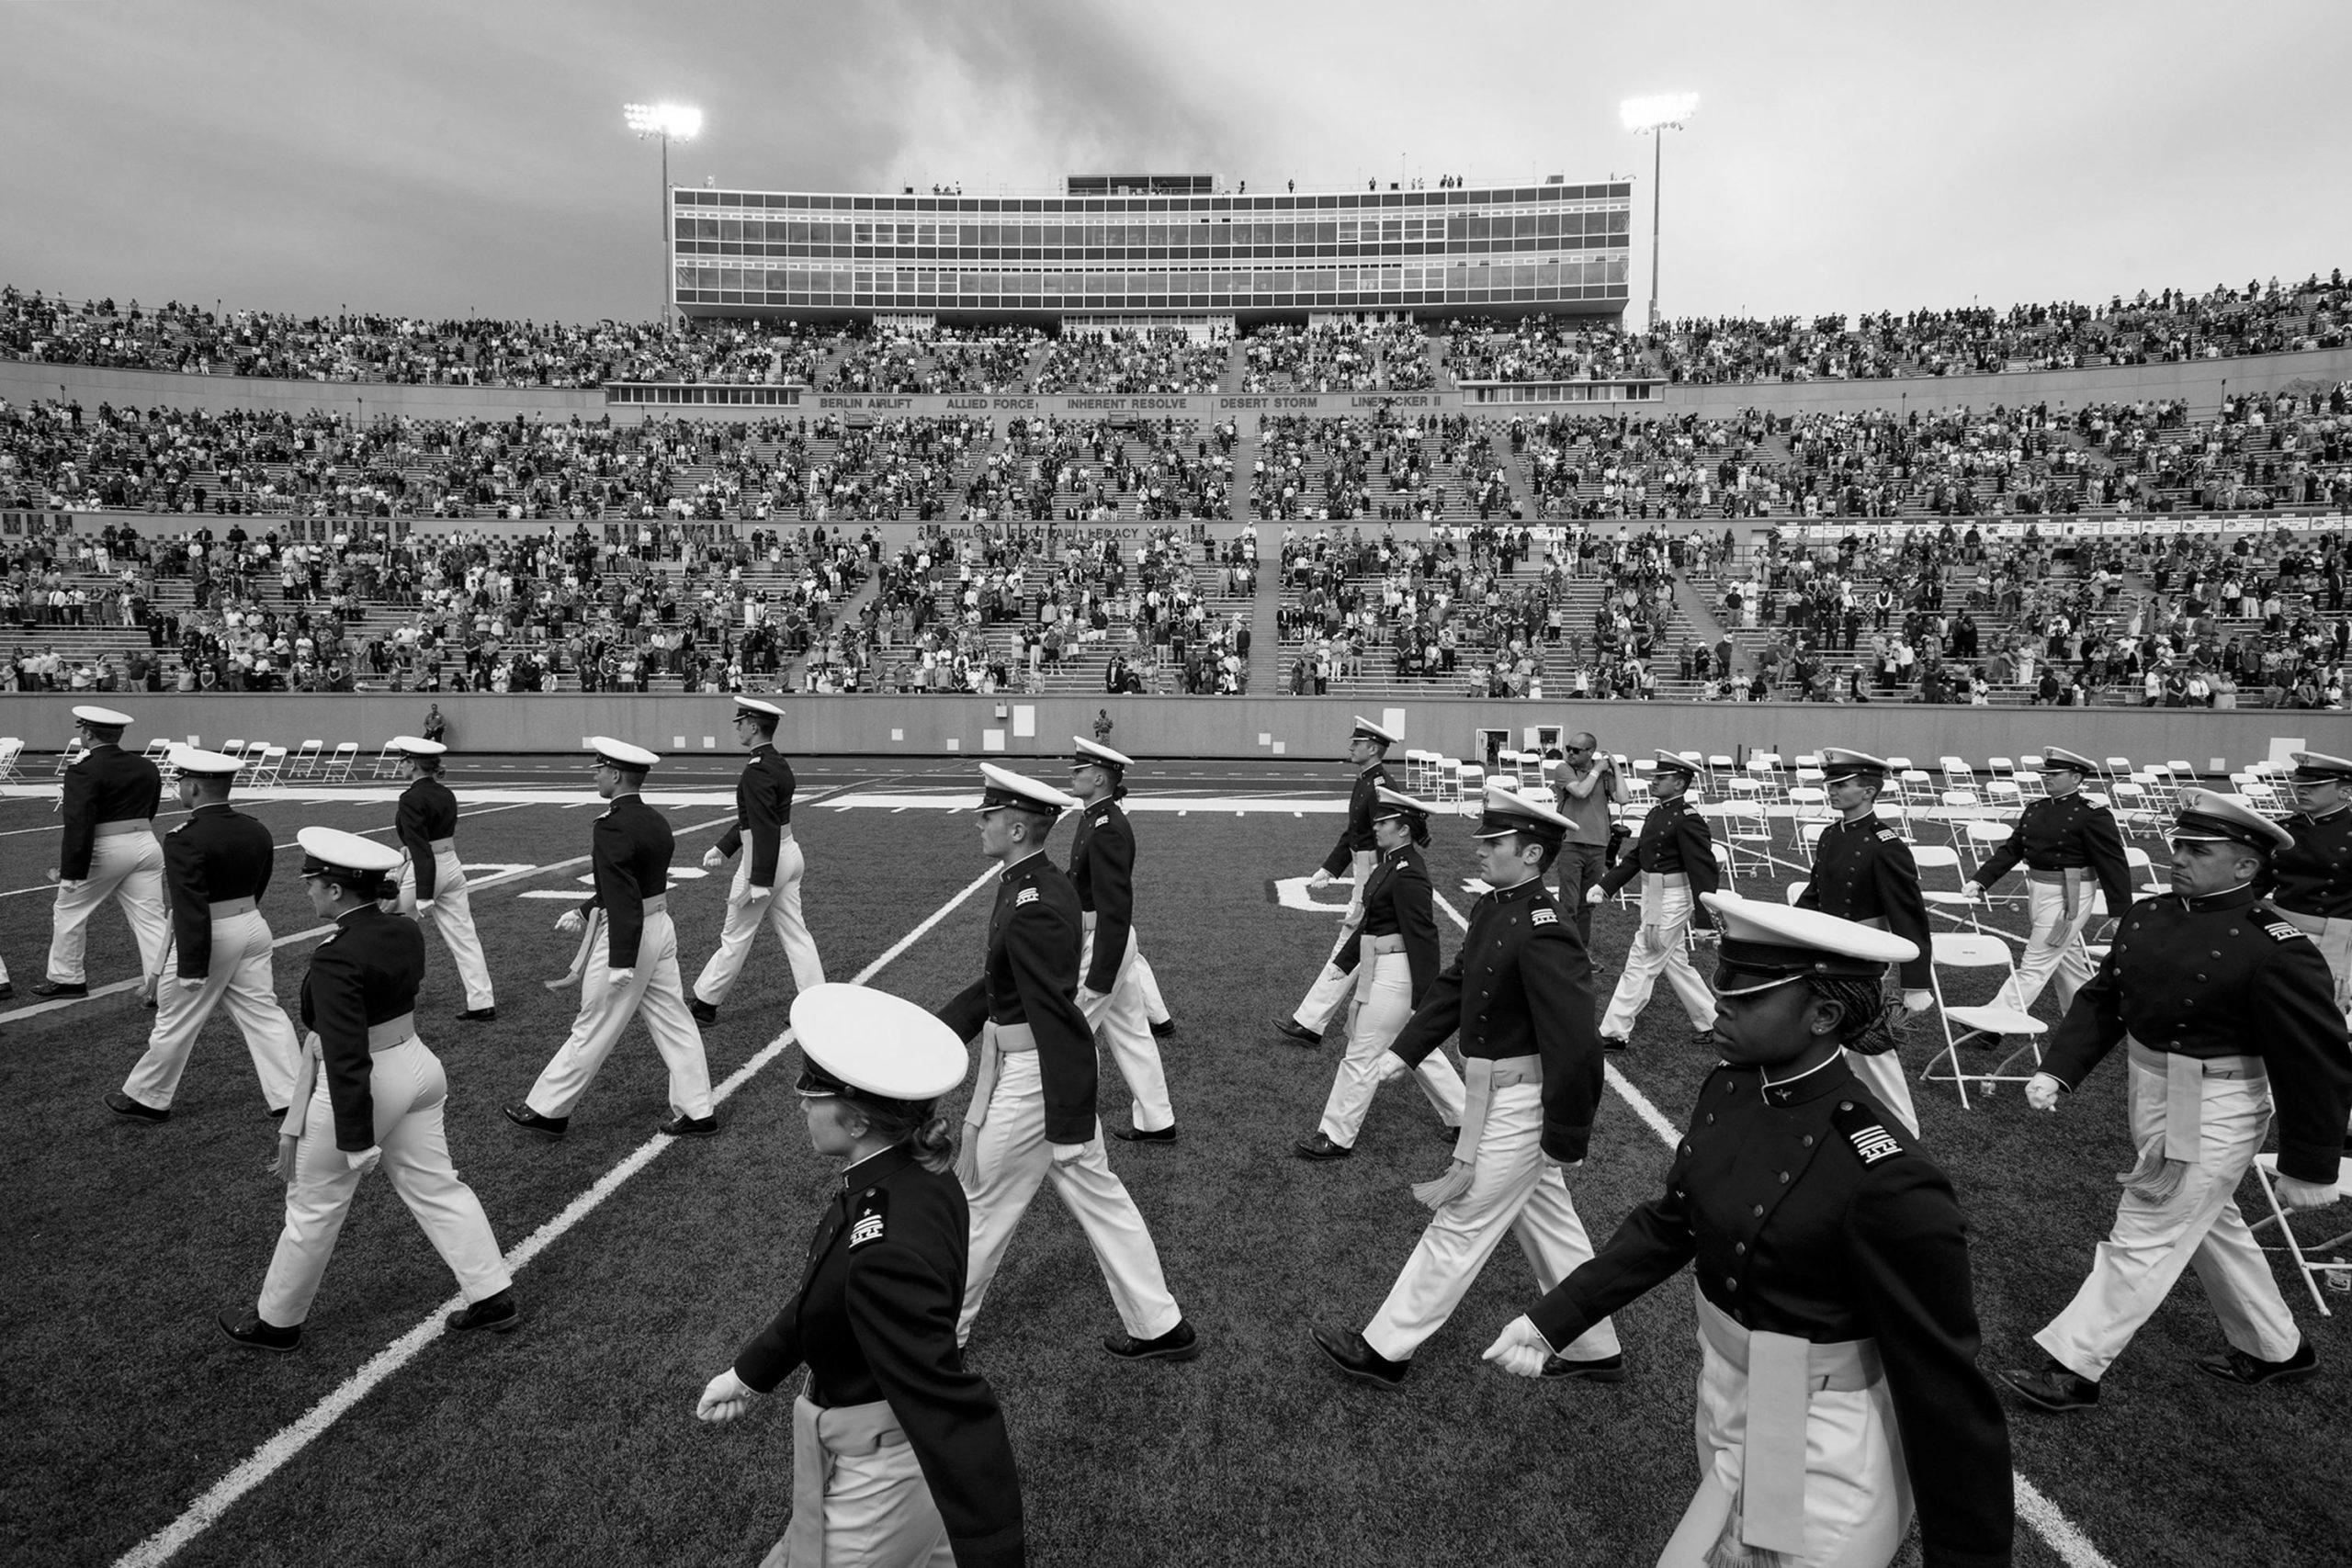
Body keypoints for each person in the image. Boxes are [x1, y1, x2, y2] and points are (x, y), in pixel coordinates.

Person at [1481, 896, 2015, 1568]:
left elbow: (1944, 1388)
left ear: (1824, 1015)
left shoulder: (1886, 1176)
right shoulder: (1732, 1087)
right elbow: (1671, 1223)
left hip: (1824, 1440)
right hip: (1727, 1398)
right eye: (1723, 986)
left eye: (1747, 995)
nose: (1720, 1006)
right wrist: (1554, 1317)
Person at [1999, 790, 2352, 1414]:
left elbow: (2315, 1057)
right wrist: (2059, 1069)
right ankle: (2278, 1346)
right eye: (2179, 845)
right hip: (2152, 1086)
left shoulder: (2275, 944)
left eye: (2199, 850)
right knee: (2211, 1220)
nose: (2179, 857)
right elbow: (2104, 999)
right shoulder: (2150, 915)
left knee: (2146, 1227)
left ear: (2246, 866)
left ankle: (2073, 1366)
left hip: (2211, 1099)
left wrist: (2310, 1159)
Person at [697, 983, 1024, 1568]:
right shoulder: (909, 1176)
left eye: (813, 1094)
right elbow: (829, 1294)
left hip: (881, 1477)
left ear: (856, 1121)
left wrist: (996, 1550)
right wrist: (749, 1374)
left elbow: (949, 1405)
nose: (801, 1104)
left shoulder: (885, 1242)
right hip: (879, 1455)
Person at [1312, 784, 1621, 1387]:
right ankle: (1593, 1343)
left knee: (1460, 1220)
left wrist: (1566, 1133)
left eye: (1494, 841)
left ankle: (1384, 1348)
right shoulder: (1494, 906)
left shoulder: (1545, 926)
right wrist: (1406, 1049)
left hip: (1522, 1104)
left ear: (1532, 854)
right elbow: (1457, 982)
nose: (1480, 849)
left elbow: (1577, 1043)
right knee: (1551, 1226)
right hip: (1493, 1094)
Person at [219, 829, 517, 1351]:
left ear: (336, 891)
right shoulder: (401, 930)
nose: (308, 891)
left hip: (370, 1081)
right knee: (439, 1186)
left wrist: (355, 1136)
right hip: (418, 1065)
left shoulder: (336, 954)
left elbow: (346, 1053)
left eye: (314, 882)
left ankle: (278, 1322)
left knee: (314, 1204)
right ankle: (492, 1293)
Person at [938, 764, 1198, 1362]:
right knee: (1102, 1201)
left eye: (989, 814)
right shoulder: (1033, 882)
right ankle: (1160, 1325)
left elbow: (1056, 1017)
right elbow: (998, 987)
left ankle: (938, 1339)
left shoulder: (1031, 899)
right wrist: (943, 1030)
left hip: (1036, 1085)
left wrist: (1072, 1114)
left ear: (1020, 827)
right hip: (1045, 1078)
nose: (980, 821)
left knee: (979, 1205)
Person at [506, 738, 717, 1139]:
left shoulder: (612, 825)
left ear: (616, 774)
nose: (596, 774)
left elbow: (622, 895)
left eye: (600, 768)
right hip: (659, 926)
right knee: (675, 1020)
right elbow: (629, 884)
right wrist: (585, 910)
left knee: (594, 1021)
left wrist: (621, 959)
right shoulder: (655, 820)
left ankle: (548, 1110)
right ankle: (698, 1109)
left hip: (629, 936)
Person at [109, 746, 301, 1123]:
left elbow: (190, 905)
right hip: (251, 923)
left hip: (211, 933)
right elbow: (258, 882)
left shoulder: (184, 837)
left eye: (181, 782)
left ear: (194, 788)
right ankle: (292, 1094)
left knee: (175, 1017)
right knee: (263, 1012)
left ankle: (148, 1097)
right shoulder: (255, 827)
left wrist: (193, 968)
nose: (178, 788)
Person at [1295, 787, 1464, 1160]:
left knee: (1362, 1052)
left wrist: (1425, 998)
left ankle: (1336, 1135)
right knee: (1415, 1047)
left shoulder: (1408, 873)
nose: (1377, 827)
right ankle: (1465, 1118)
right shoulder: (1391, 864)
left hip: (1397, 972)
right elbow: (1371, 922)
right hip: (1381, 964)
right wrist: (1343, 964)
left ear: (1404, 830)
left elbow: (1423, 936)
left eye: (1384, 822)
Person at [1794, 748, 1936, 1136]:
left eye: (1842, 784)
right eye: (1831, 783)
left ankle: (1906, 1131)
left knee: (1869, 1044)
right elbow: (1814, 893)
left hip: (1863, 955)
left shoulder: (1883, 843)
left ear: (1869, 792)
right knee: (1828, 1037)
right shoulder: (1830, 834)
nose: (1832, 790)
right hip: (1826, 949)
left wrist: (1916, 979)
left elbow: (1909, 914)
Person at [1961, 745, 2133, 1023]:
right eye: (2045, 773)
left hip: (2069, 895)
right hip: (2038, 889)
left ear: (2076, 778)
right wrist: (1981, 881)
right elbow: (2012, 849)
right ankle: (2089, 1018)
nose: (2046, 777)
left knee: (2036, 962)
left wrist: (2120, 911)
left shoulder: (2092, 814)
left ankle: (1995, 1021)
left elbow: (2112, 864)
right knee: (2068, 962)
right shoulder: (2036, 808)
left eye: (2055, 773)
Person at [1065, 738, 1176, 1142]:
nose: (1072, 775)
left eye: (1079, 771)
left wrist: (1100, 973)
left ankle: (1067, 1121)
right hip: (1108, 942)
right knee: (1132, 1033)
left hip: (1104, 944)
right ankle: (1157, 1121)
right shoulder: (1096, 816)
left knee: (1069, 1029)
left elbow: (1116, 907)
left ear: (1098, 778)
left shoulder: (1107, 826)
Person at [690, 698, 824, 1025]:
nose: (736, 727)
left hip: (766, 860)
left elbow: (762, 825)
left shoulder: (757, 770)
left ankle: (705, 1004)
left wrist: (759, 878)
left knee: (735, 936)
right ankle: (818, 1001)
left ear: (753, 725)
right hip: (790, 853)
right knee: (796, 933)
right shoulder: (777, 762)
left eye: (741, 722)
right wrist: (724, 848)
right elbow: (761, 818)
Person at [1272, 716, 1397, 1046]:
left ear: (1372, 748)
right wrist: (1330, 868)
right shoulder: (1367, 781)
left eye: (1357, 743)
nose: (1350, 746)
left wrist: (1376, 884)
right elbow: (1354, 832)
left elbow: (1389, 839)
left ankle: (1311, 1022)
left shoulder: (1380, 785)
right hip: (1364, 869)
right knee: (1361, 950)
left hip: (1374, 872)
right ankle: (1313, 1022)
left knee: (1351, 947)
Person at [1592, 752, 1721, 1051]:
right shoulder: (1657, 812)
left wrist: (1704, 920)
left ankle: (1614, 1032)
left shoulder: (1689, 820)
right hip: (1655, 895)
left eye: (1661, 778)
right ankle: (1714, 1022)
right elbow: (1639, 855)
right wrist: (1607, 885)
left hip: (1674, 899)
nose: (1654, 780)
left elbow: (1703, 870)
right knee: (1675, 963)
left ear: (1679, 783)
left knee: (1641, 960)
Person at [39, 705, 167, 1000]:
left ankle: (67, 978)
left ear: (87, 733)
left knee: (69, 910)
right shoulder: (146, 766)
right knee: (150, 919)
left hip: (106, 847)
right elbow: (151, 809)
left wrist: (71, 871)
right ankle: (164, 986)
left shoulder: (83, 769)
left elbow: (78, 823)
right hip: (146, 842)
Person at [387, 735, 496, 1021]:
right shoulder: (445, 793)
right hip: (451, 864)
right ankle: (482, 1001)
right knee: (464, 936)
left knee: (386, 927)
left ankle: (390, 998)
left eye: (402, 761)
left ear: (411, 764)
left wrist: (423, 893)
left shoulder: (410, 798)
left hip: (426, 869)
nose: (399, 767)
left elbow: (422, 849)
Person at [2269, 750, 2352, 1024]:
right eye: (2300, 785)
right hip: (2279, 931)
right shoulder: (2282, 830)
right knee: (2276, 1005)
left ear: (2345, 792)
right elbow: (2257, 883)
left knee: (2322, 1013)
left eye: (2314, 786)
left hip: (2333, 937)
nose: (2302, 791)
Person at [1547, 731, 1619, 954]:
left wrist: (1616, 768)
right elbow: (1580, 792)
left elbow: (1624, 798)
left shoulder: (1603, 775)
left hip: (1598, 844)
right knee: (1568, 902)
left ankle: (1581, 952)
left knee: (1588, 903)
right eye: (1569, 748)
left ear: (1590, 752)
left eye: (1576, 750)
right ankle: (1564, 950)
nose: (1569, 753)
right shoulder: (1564, 769)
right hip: (1572, 843)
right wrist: (1598, 769)